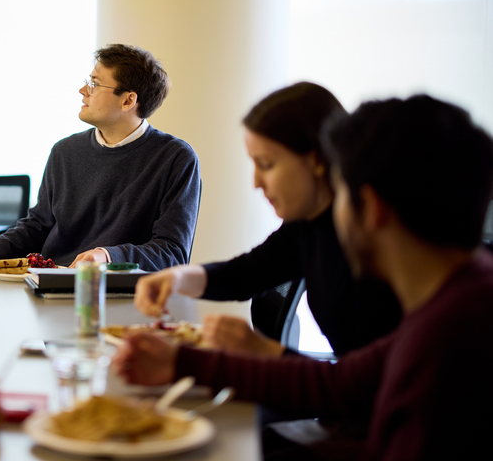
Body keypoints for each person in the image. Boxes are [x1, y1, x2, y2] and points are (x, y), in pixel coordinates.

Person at [117, 94, 493, 460]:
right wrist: (183, 362)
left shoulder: (449, 333)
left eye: (341, 186)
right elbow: (344, 383)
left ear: (372, 208)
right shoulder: (453, 301)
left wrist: (258, 355)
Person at [134, 83, 401, 357]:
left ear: (317, 160)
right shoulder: (306, 225)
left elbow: (367, 378)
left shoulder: (371, 242)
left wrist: (265, 351)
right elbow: (244, 274)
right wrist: (176, 277)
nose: (256, 182)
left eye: (266, 165)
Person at [0, 44, 201, 271]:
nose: (83, 90)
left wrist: (107, 256)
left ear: (128, 101)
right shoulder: (64, 151)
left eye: (95, 84)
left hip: (124, 295)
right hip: (52, 284)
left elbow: (172, 252)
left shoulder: (176, 159)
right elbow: (38, 226)